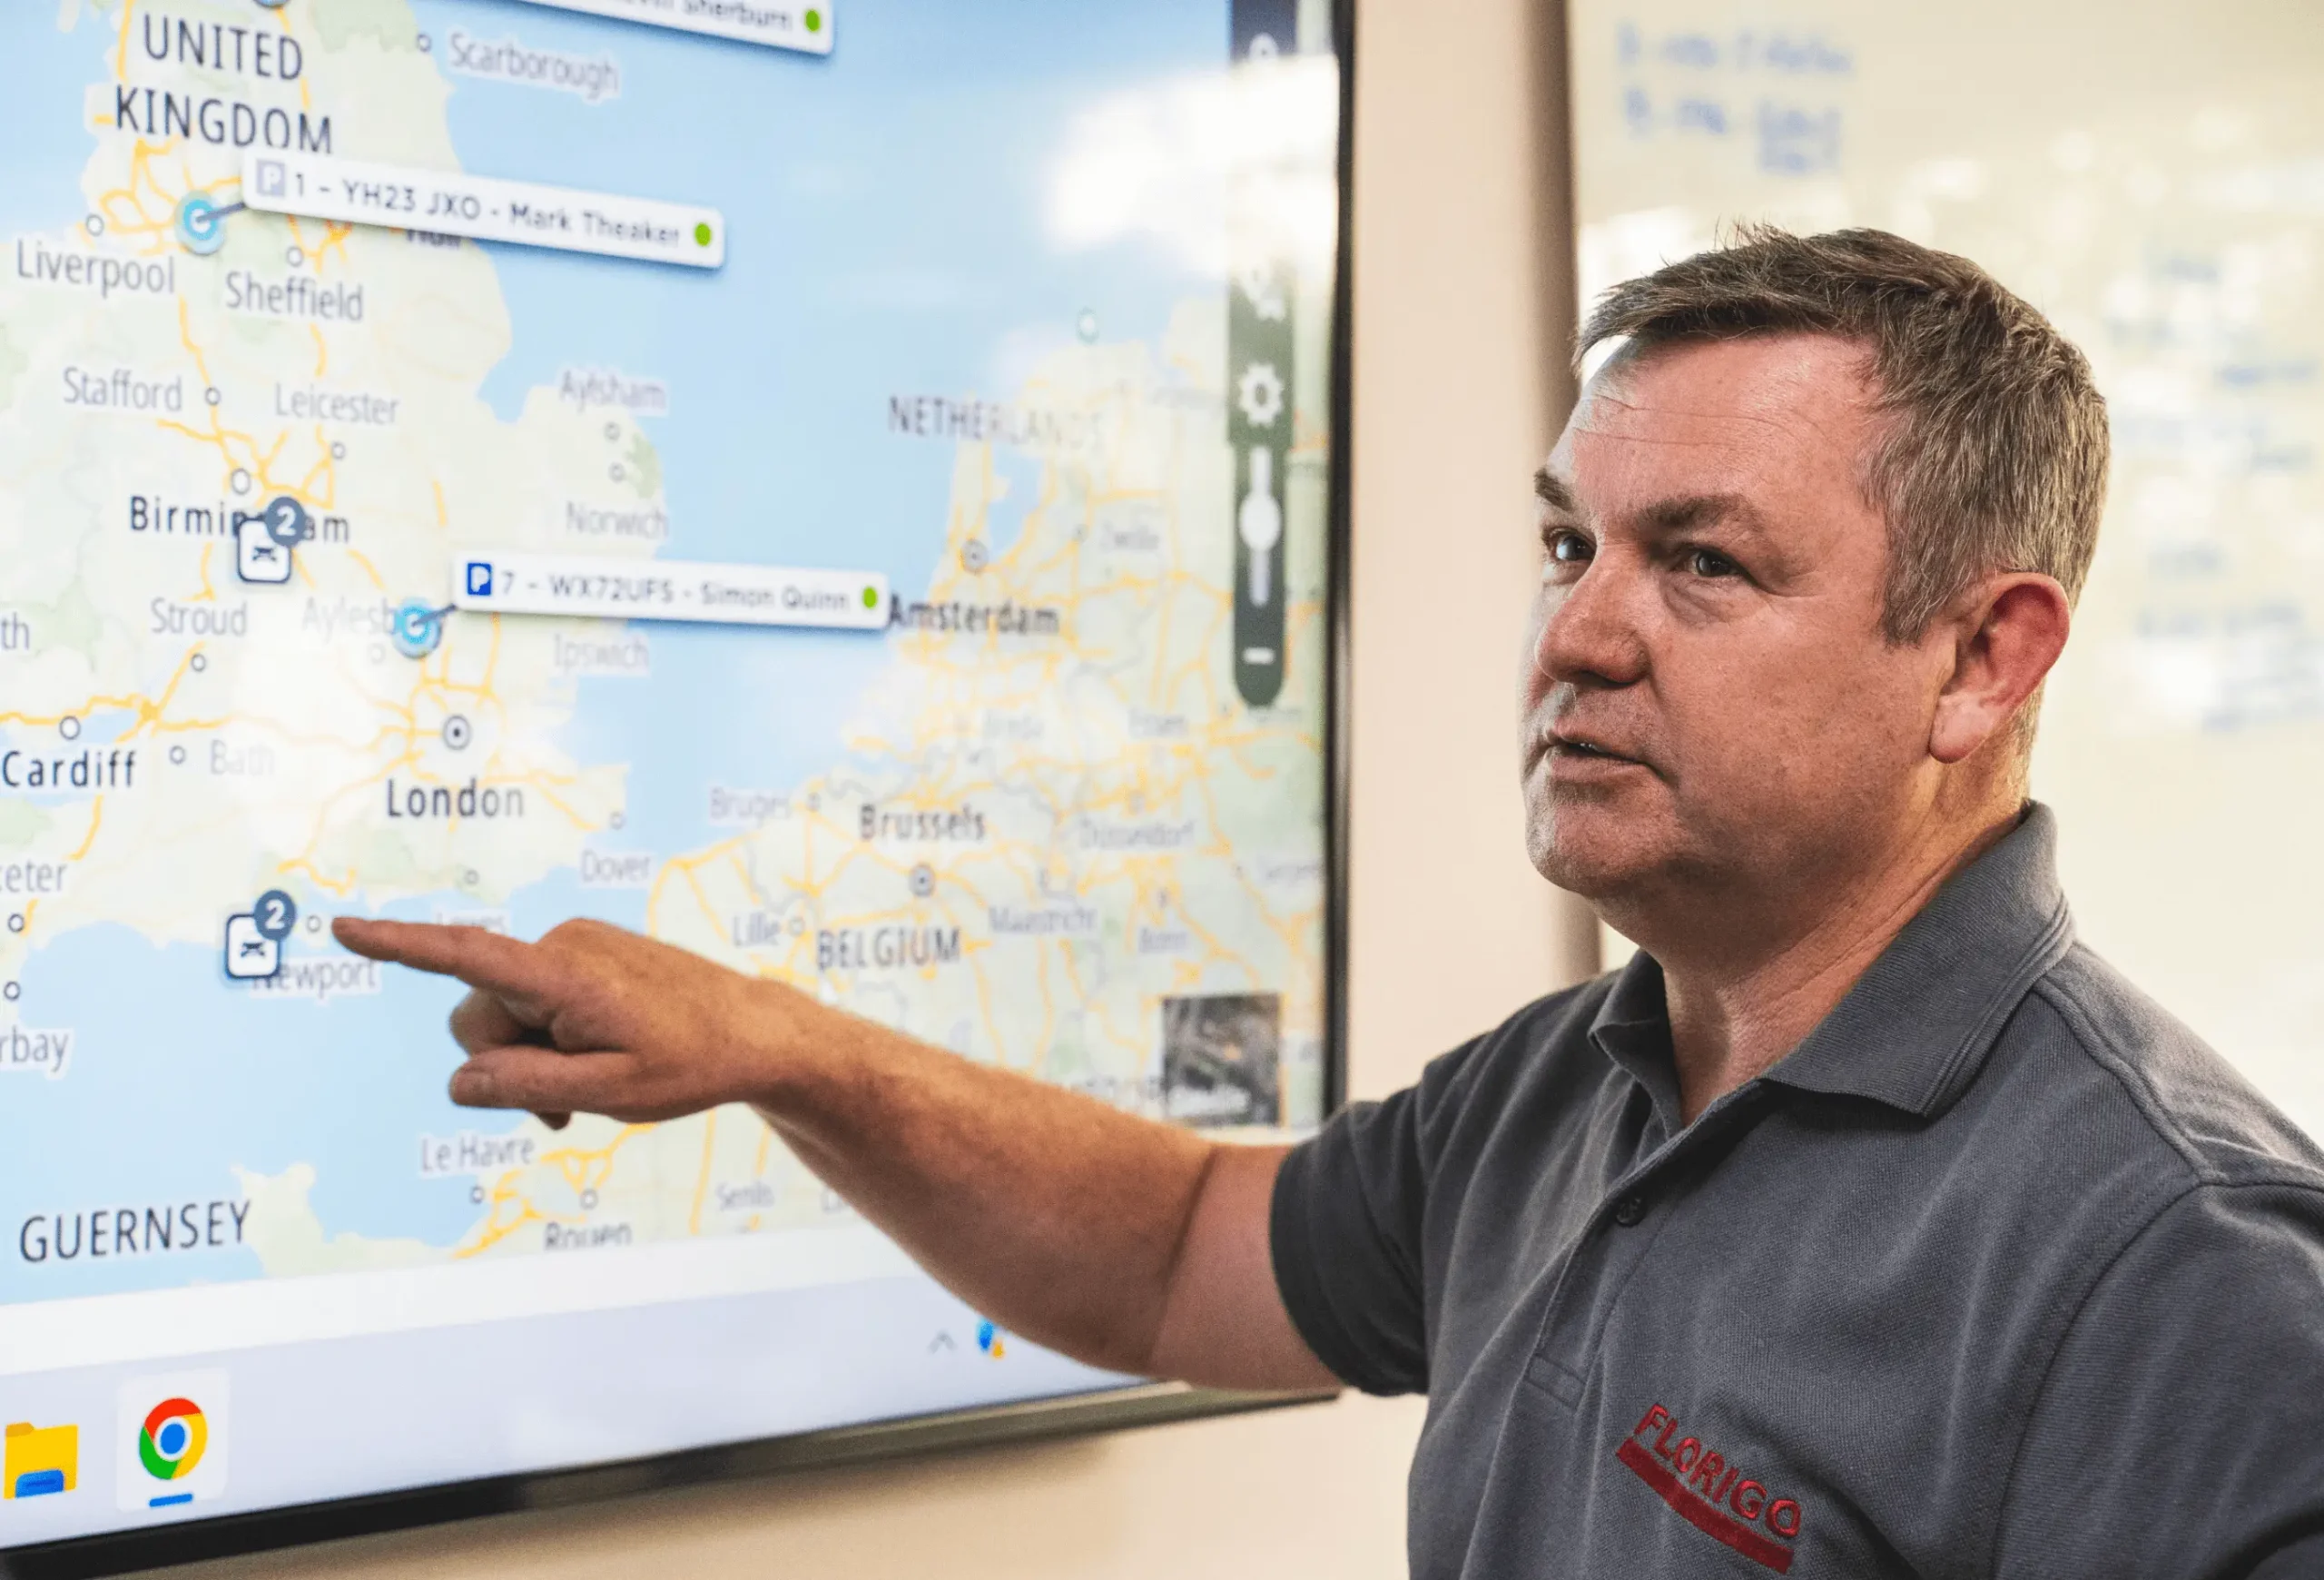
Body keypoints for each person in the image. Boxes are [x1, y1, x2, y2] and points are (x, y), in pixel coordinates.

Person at [337, 228, 2324, 1577]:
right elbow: (1170, 1252)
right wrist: (783, 1047)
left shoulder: (2183, 1266)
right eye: (1567, 541)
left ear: (1981, 660)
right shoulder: (1581, 1079)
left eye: (1701, 565)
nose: (1576, 632)